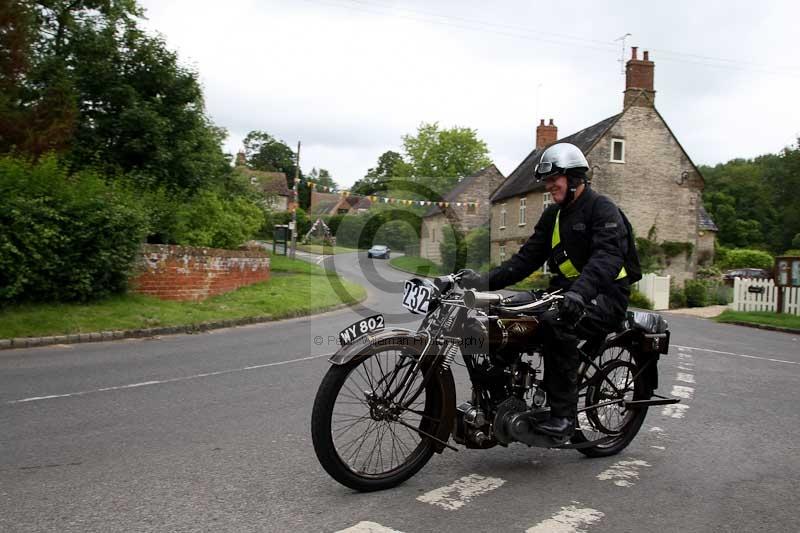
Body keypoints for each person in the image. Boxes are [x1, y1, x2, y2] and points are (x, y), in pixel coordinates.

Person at [459, 142, 638, 438]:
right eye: (547, 180)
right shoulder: (553, 215)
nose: (549, 185)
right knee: (501, 312)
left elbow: (606, 257)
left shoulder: (602, 209)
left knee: (556, 324)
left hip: (605, 297)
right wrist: (481, 282)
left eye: (555, 179)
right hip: (565, 293)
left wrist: (579, 295)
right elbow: (524, 260)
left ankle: (563, 417)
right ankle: (495, 385)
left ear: (575, 179)